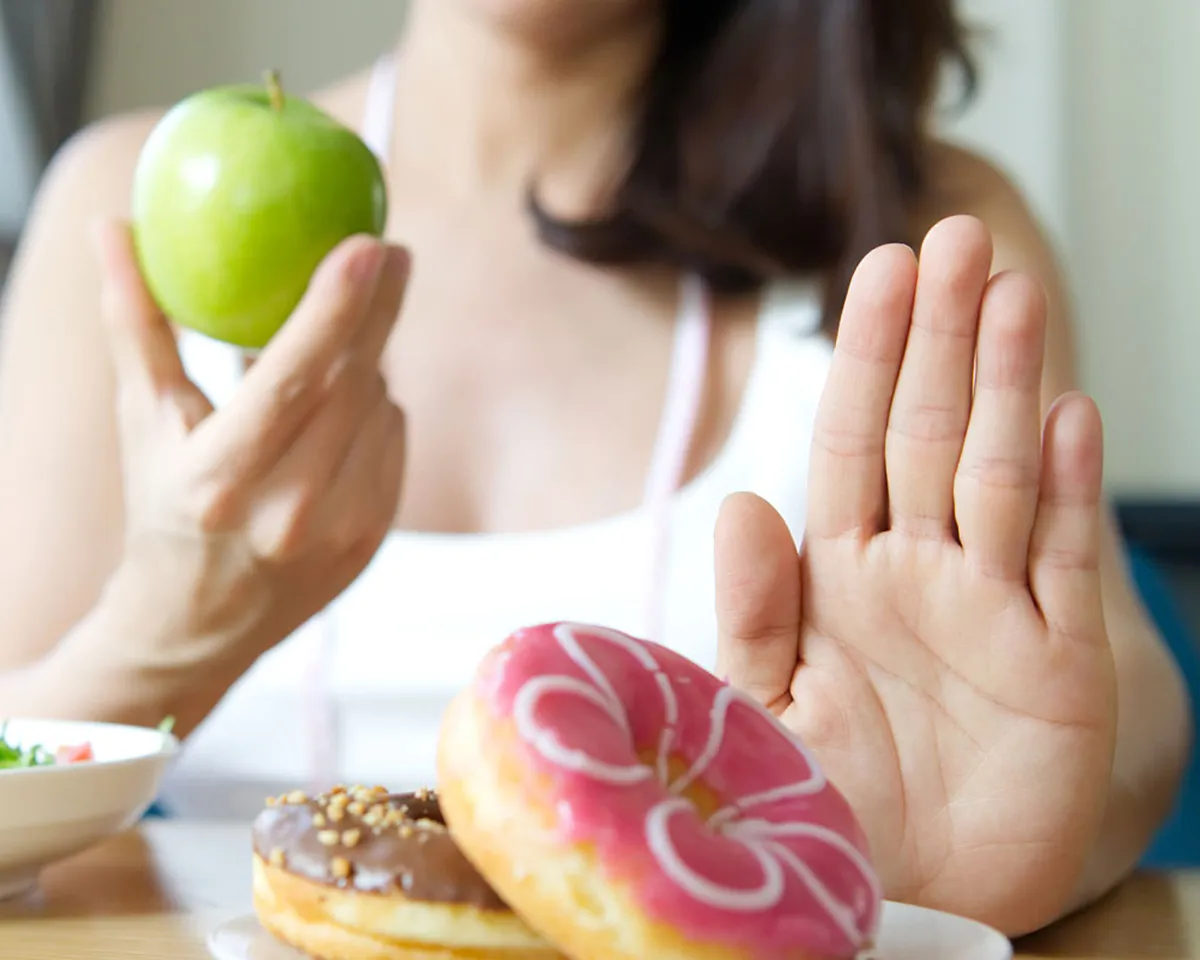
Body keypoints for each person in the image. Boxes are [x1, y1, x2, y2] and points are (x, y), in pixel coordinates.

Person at [0, 0, 1189, 937]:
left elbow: (1110, 692)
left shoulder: (913, 226)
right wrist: (157, 640)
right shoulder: (127, 200)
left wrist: (973, 857)